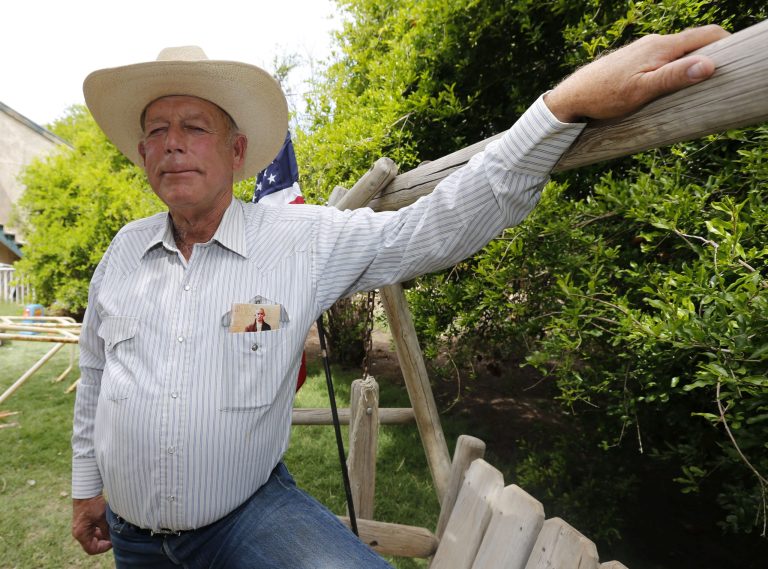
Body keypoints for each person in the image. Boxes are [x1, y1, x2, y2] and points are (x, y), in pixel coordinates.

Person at [72, 26, 729, 568]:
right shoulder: (122, 253)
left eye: (193, 125)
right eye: (156, 130)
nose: (172, 143)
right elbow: (97, 377)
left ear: (238, 150)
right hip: (134, 541)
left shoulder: (299, 240)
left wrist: (562, 106)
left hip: (246, 516)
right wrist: (85, 490)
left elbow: (431, 227)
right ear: (142, 153)